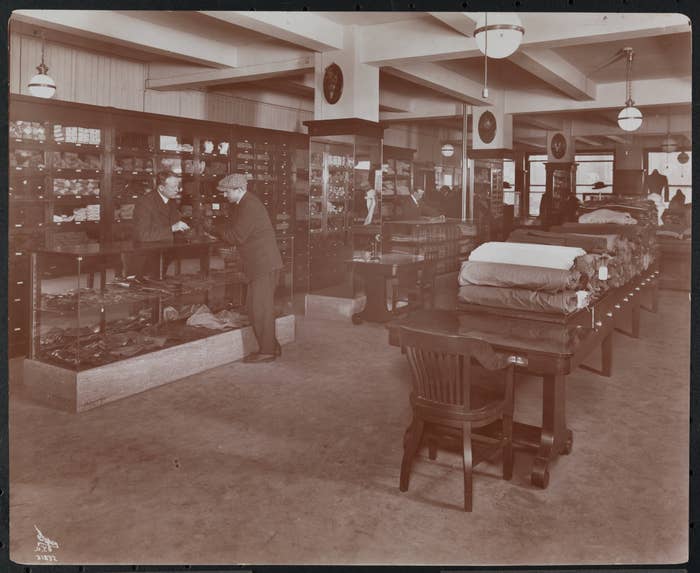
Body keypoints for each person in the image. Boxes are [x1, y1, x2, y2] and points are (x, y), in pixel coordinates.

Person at [216, 173, 283, 363]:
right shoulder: (244, 204)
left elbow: (237, 236)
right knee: (257, 308)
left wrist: (212, 229)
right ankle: (272, 346)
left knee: (259, 309)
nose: (224, 195)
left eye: (227, 192)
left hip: (263, 264)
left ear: (239, 190)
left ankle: (267, 352)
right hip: (260, 264)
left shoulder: (249, 205)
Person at [130, 171, 189, 279]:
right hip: (145, 257)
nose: (178, 190)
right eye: (173, 187)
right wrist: (173, 228)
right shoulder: (145, 202)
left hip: (163, 252)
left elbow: (176, 223)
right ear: (161, 188)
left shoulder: (171, 201)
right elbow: (143, 235)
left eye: (178, 186)